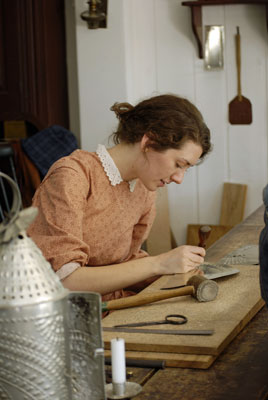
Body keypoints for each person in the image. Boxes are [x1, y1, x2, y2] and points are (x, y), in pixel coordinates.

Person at [28, 94, 212, 300]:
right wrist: (159, 263)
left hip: (113, 309)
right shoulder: (73, 176)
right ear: (148, 142)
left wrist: (178, 270)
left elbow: (128, 265)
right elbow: (66, 282)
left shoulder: (143, 187)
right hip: (62, 316)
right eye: (179, 164)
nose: (179, 178)